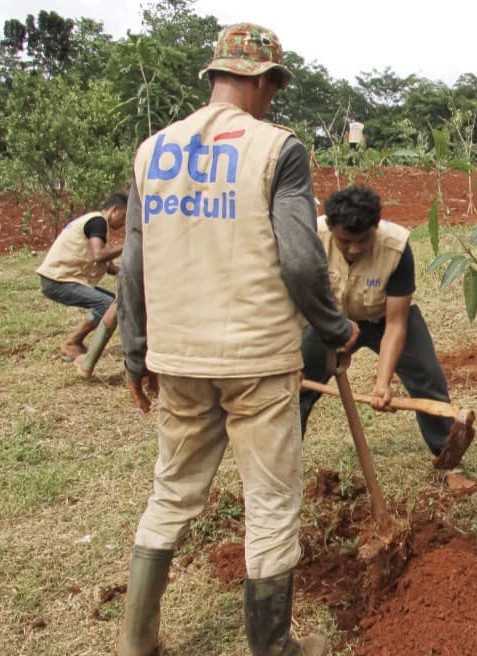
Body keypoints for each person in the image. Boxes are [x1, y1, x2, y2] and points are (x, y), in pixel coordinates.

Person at [115, 23, 359, 656]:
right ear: (265, 81)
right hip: (255, 358)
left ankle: (136, 643)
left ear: (217, 75)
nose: (273, 98)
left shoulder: (153, 151)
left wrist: (135, 351)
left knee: (173, 490)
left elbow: (133, 262)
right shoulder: (278, 150)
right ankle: (273, 648)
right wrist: (336, 329)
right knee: (272, 501)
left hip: (179, 356)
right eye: (274, 86)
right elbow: (303, 264)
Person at [299, 185, 471, 470]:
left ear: (375, 228)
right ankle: (284, 465)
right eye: (345, 241)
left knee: (428, 382)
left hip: (384, 317)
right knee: (298, 388)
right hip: (329, 320)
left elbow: (396, 323)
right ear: (331, 229)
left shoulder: (396, 248)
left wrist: (382, 384)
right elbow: (294, 299)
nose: (354, 249)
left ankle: (448, 462)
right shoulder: (311, 238)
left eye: (363, 240)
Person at [36, 193, 127, 360]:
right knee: (107, 305)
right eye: (124, 216)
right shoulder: (98, 222)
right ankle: (73, 343)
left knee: (115, 303)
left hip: (61, 278)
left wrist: (128, 272)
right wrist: (128, 244)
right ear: (115, 210)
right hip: (58, 279)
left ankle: (76, 343)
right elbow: (99, 255)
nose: (123, 223)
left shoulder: (97, 225)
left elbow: (109, 267)